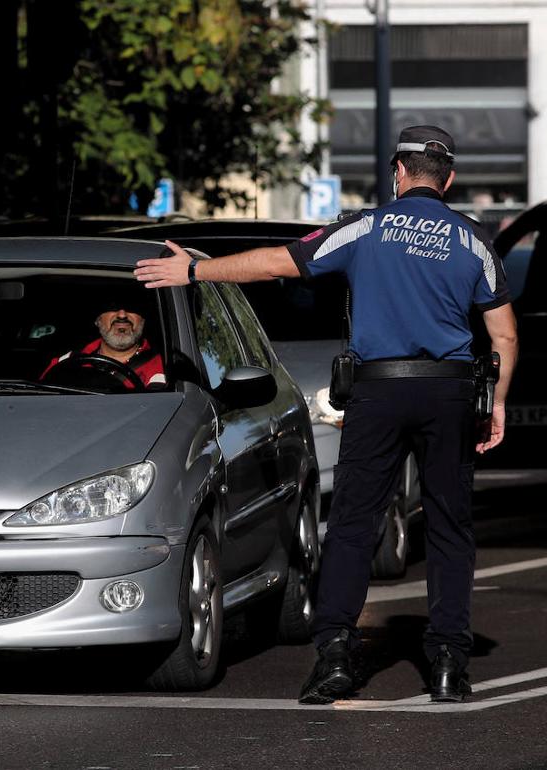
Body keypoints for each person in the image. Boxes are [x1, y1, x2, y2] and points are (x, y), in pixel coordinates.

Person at [134, 125, 518, 704]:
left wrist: (193, 271)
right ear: (449, 180)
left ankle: (336, 654)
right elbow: (504, 334)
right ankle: (447, 664)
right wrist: (500, 401)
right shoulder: (473, 242)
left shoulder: (367, 227)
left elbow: (276, 265)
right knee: (448, 529)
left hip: (378, 393)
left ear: (398, 172)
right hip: (447, 394)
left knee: (354, 525)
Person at [40, 298, 166, 388]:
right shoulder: (69, 361)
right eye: (112, 306)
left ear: (143, 321)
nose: (122, 315)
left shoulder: (163, 366)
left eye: (132, 307)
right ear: (97, 320)